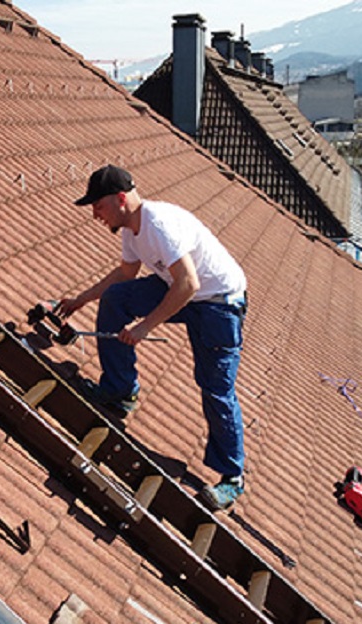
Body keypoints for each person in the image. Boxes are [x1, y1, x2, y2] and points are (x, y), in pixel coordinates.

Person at [60, 165, 248, 511]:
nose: (94, 214)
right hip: (182, 291)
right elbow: (124, 274)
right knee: (118, 298)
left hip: (219, 306)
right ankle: (119, 391)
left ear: (120, 199)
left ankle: (232, 478)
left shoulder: (159, 225)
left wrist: (145, 327)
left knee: (215, 387)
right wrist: (80, 300)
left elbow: (188, 284)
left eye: (98, 206)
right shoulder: (131, 231)